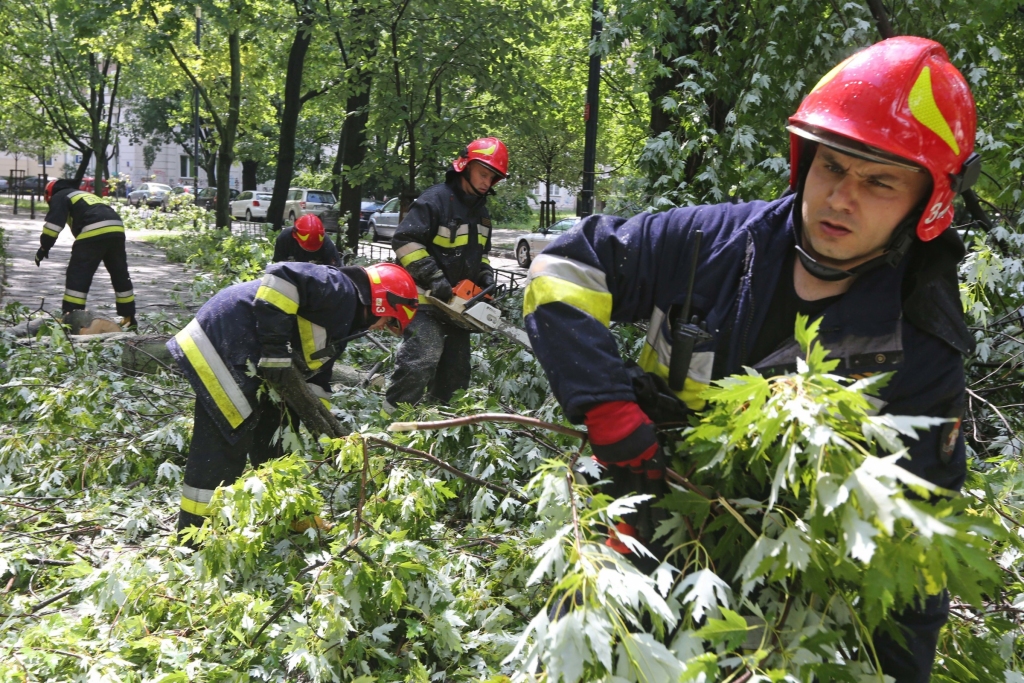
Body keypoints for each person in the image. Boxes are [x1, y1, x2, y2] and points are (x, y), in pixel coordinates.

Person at [523, 37, 977, 681]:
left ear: (926, 202)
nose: (843, 197)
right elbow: (564, 265)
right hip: (628, 544)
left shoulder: (920, 351)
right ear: (804, 162)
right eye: (833, 168)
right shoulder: (712, 244)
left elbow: (914, 558)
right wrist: (603, 401)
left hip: (772, 610)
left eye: (879, 181)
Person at [168, 262, 418, 537]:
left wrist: (326, 433)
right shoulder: (338, 288)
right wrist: (276, 350)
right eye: (389, 321)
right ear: (383, 303)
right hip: (223, 344)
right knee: (225, 445)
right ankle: (198, 536)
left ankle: (291, 514)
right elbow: (282, 275)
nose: (383, 328)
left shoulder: (344, 324)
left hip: (247, 355)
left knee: (281, 434)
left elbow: (317, 379)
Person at [384, 137, 508, 413]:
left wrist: (485, 275)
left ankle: (439, 432)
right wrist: (434, 277)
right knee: (421, 361)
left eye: (493, 177)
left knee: (456, 373)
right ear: (466, 166)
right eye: (483, 173)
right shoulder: (435, 201)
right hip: (424, 300)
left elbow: (480, 254)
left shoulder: (482, 214)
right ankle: (388, 429)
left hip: (457, 307)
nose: (487, 182)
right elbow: (405, 240)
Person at [36, 178, 137, 329]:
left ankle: (71, 316)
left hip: (93, 228)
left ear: (49, 194)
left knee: (78, 274)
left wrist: (44, 247)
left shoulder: (60, 196)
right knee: (120, 273)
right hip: (116, 228)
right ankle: (129, 317)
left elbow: (53, 226)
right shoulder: (82, 195)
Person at [273, 214, 340, 266]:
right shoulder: (285, 238)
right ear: (295, 235)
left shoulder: (326, 244)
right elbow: (278, 267)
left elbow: (336, 272)